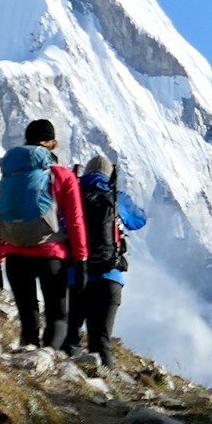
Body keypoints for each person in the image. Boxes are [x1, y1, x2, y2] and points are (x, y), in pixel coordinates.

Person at [0, 119, 88, 351]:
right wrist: (81, 260)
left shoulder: (10, 176)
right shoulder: (62, 175)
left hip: (15, 256)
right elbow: (75, 221)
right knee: (57, 317)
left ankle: (28, 363)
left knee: (29, 319)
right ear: (52, 144)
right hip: (51, 256)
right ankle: (47, 360)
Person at [76, 153, 147, 368]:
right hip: (110, 277)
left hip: (77, 276)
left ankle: (69, 379)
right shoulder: (116, 196)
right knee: (101, 340)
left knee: (69, 335)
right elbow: (140, 219)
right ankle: (106, 389)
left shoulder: (74, 192)